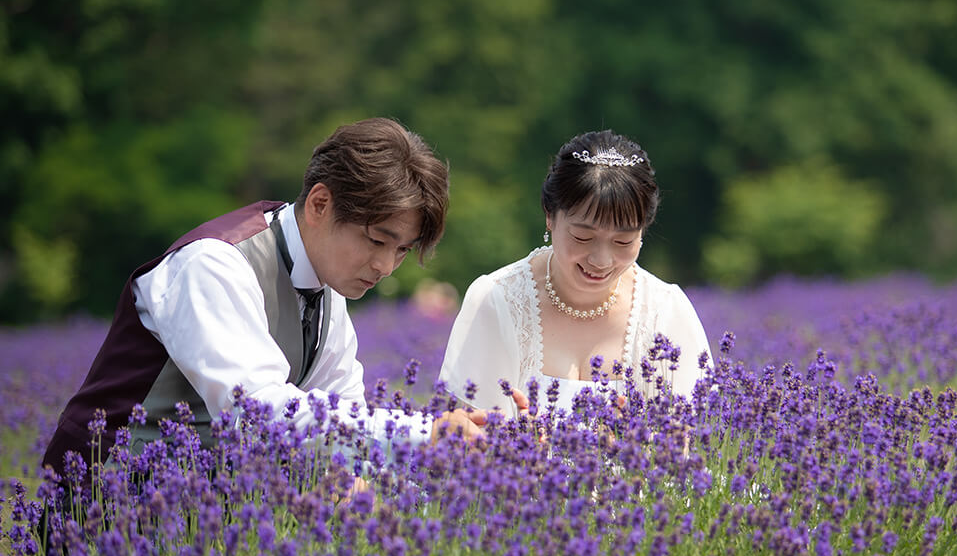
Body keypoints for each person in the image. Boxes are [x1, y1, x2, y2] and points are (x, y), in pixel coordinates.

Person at [42, 117, 488, 479]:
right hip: (99, 508)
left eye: (402, 250)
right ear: (319, 204)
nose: (387, 267)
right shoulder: (215, 264)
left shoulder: (327, 289)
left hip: (211, 515)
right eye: (376, 241)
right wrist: (423, 433)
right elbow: (259, 417)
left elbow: (343, 419)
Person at [438, 130, 711, 417]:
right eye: (582, 237)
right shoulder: (497, 299)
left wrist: (636, 446)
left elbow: (687, 445)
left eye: (623, 242)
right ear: (549, 215)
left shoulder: (667, 312)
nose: (601, 260)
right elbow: (465, 440)